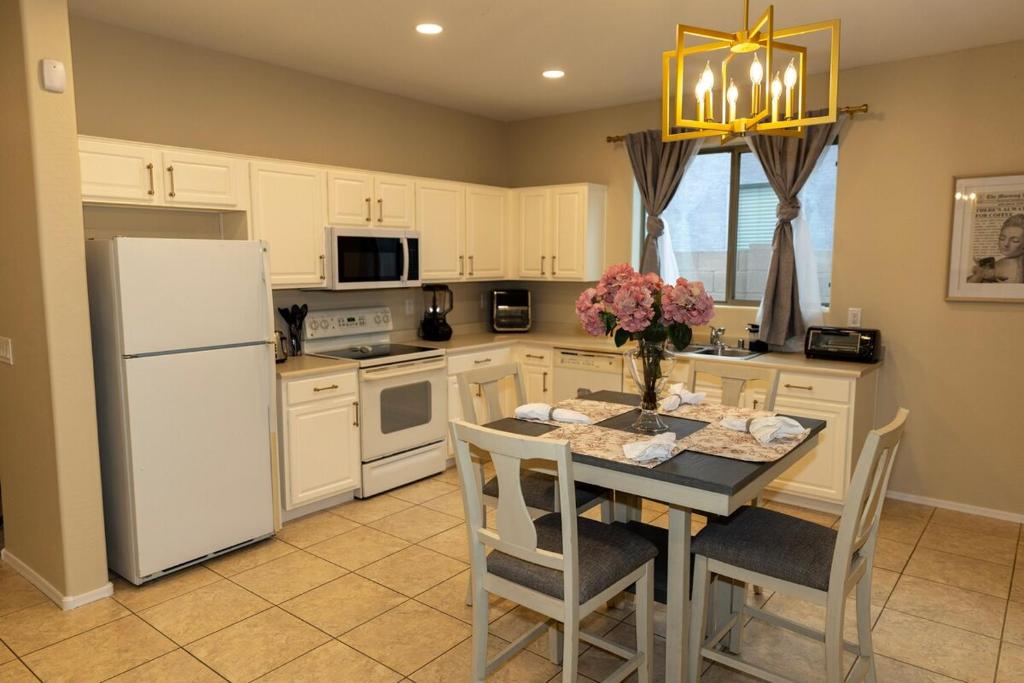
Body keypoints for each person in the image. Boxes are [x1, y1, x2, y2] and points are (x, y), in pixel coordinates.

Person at [967, 214, 1024, 283]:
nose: (1006, 244)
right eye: (1002, 238)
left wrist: (979, 276)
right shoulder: (1002, 262)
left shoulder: (1018, 268)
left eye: (1015, 241)